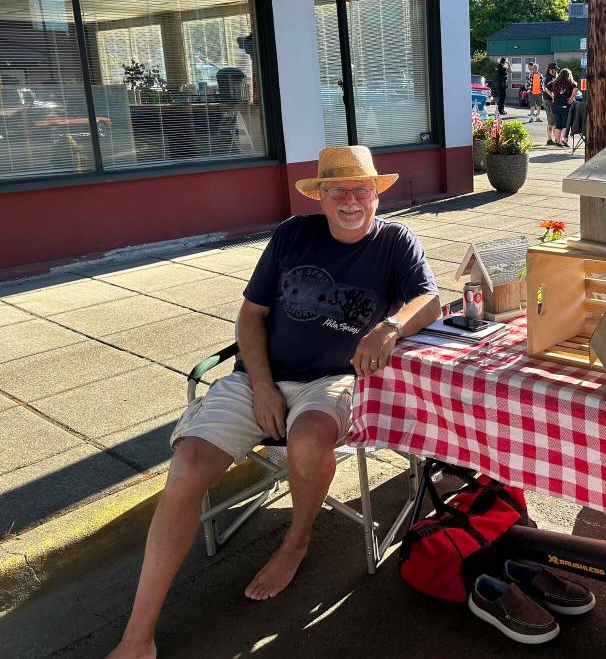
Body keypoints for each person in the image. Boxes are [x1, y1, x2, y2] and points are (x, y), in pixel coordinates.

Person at [108, 146, 441, 659]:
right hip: (258, 377)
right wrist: (262, 385)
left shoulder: (396, 241)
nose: (351, 200)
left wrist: (390, 326)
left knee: (308, 441)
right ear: (321, 196)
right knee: (187, 465)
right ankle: (138, 635)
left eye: (361, 189)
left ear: (377, 194)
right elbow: (250, 316)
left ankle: (296, 542)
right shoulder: (292, 234)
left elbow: (430, 299)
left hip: (334, 379)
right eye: (338, 190)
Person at [547, 68, 580, 148]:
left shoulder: (554, 82)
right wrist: (572, 98)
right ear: (569, 75)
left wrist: (552, 96)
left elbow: (546, 89)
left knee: (558, 125)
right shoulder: (570, 82)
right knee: (565, 125)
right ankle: (565, 141)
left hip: (555, 106)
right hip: (566, 105)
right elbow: (576, 88)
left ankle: (557, 142)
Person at [542, 62, 558, 145]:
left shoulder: (550, 77)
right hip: (548, 101)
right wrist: (553, 97)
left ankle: (555, 139)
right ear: (550, 70)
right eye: (555, 69)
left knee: (554, 121)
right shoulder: (548, 78)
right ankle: (549, 140)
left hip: (549, 101)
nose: (556, 71)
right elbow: (546, 89)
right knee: (551, 121)